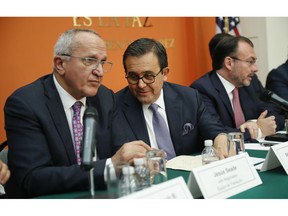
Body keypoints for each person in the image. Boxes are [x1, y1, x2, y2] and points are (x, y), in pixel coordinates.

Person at [4, 29, 151, 198]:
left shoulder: (105, 97)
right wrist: (110, 166)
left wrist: (139, 159)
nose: (100, 72)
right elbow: (33, 179)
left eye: (102, 63)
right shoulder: (26, 104)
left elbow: (121, 151)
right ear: (60, 64)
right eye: (90, 61)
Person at [115, 38, 228, 160]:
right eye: (133, 77)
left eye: (149, 76)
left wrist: (220, 138)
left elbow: (214, 130)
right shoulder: (115, 107)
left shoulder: (189, 97)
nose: (141, 85)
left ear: (165, 73)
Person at [190, 35, 285, 141]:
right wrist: (258, 130)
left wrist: (254, 124)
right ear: (229, 63)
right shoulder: (201, 89)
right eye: (250, 62)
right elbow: (215, 132)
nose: (255, 68)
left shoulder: (250, 83)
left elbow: (276, 113)